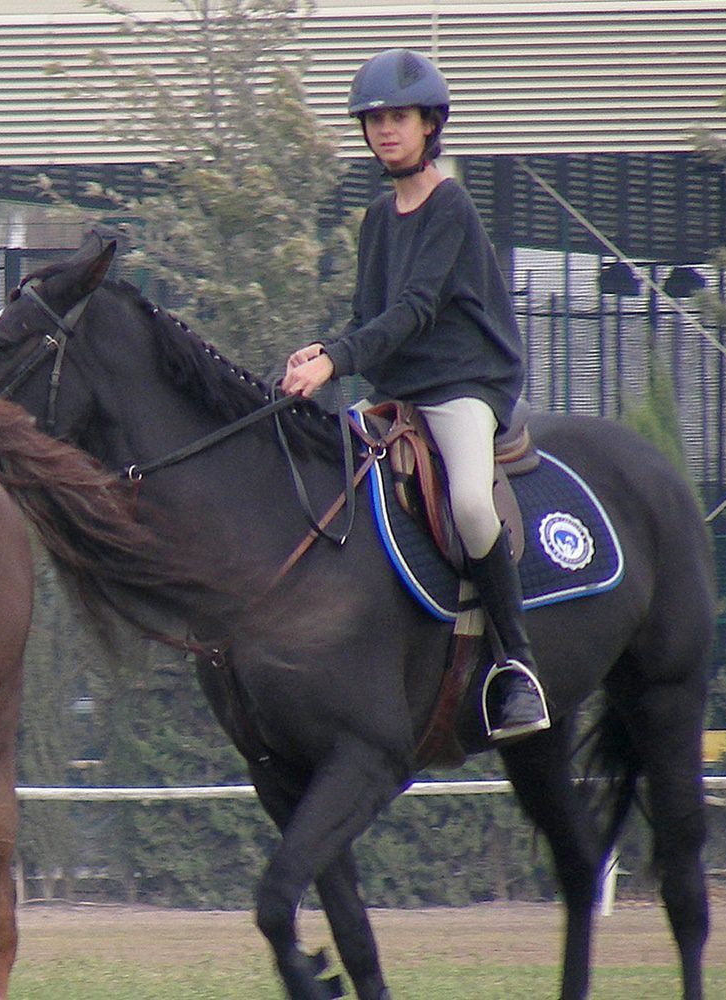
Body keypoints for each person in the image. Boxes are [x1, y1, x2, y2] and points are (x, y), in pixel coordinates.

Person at [278, 48, 549, 742]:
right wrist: (324, 350)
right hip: (398, 395)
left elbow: (417, 310)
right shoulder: (376, 219)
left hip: (462, 386)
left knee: (466, 500)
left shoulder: (449, 205)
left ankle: (515, 666)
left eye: (397, 118)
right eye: (372, 121)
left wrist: (338, 362)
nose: (384, 131)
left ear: (431, 124)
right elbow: (373, 320)